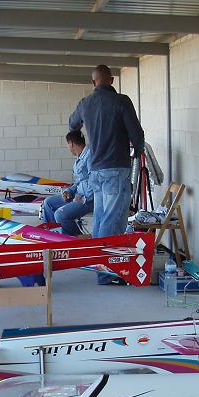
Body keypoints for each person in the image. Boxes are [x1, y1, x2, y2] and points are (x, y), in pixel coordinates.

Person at [69, 64, 145, 285]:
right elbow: (137, 135)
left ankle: (101, 267)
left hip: (95, 171)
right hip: (116, 169)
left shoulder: (85, 103)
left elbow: (72, 124)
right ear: (111, 80)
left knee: (102, 219)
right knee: (113, 221)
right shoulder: (122, 101)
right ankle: (107, 272)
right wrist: (137, 150)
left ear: (93, 82)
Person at [42, 130, 93, 237]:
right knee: (48, 203)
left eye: (67, 145)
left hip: (89, 199)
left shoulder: (90, 156)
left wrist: (83, 198)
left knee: (60, 215)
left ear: (71, 144)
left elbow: (94, 181)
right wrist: (69, 191)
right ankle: (53, 235)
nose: (68, 147)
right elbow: (79, 181)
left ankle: (78, 239)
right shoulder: (80, 157)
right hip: (78, 195)